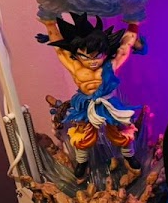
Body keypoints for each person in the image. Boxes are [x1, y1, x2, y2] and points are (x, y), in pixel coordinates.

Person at [38, 12, 144, 184]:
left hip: (108, 103)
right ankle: (82, 163)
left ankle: (129, 157)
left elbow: (125, 46)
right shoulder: (75, 66)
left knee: (121, 129)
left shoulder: (110, 65)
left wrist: (133, 25)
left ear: (105, 53)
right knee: (82, 133)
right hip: (85, 104)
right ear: (77, 54)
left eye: (97, 56)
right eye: (86, 57)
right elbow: (60, 50)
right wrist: (50, 24)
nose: (93, 61)